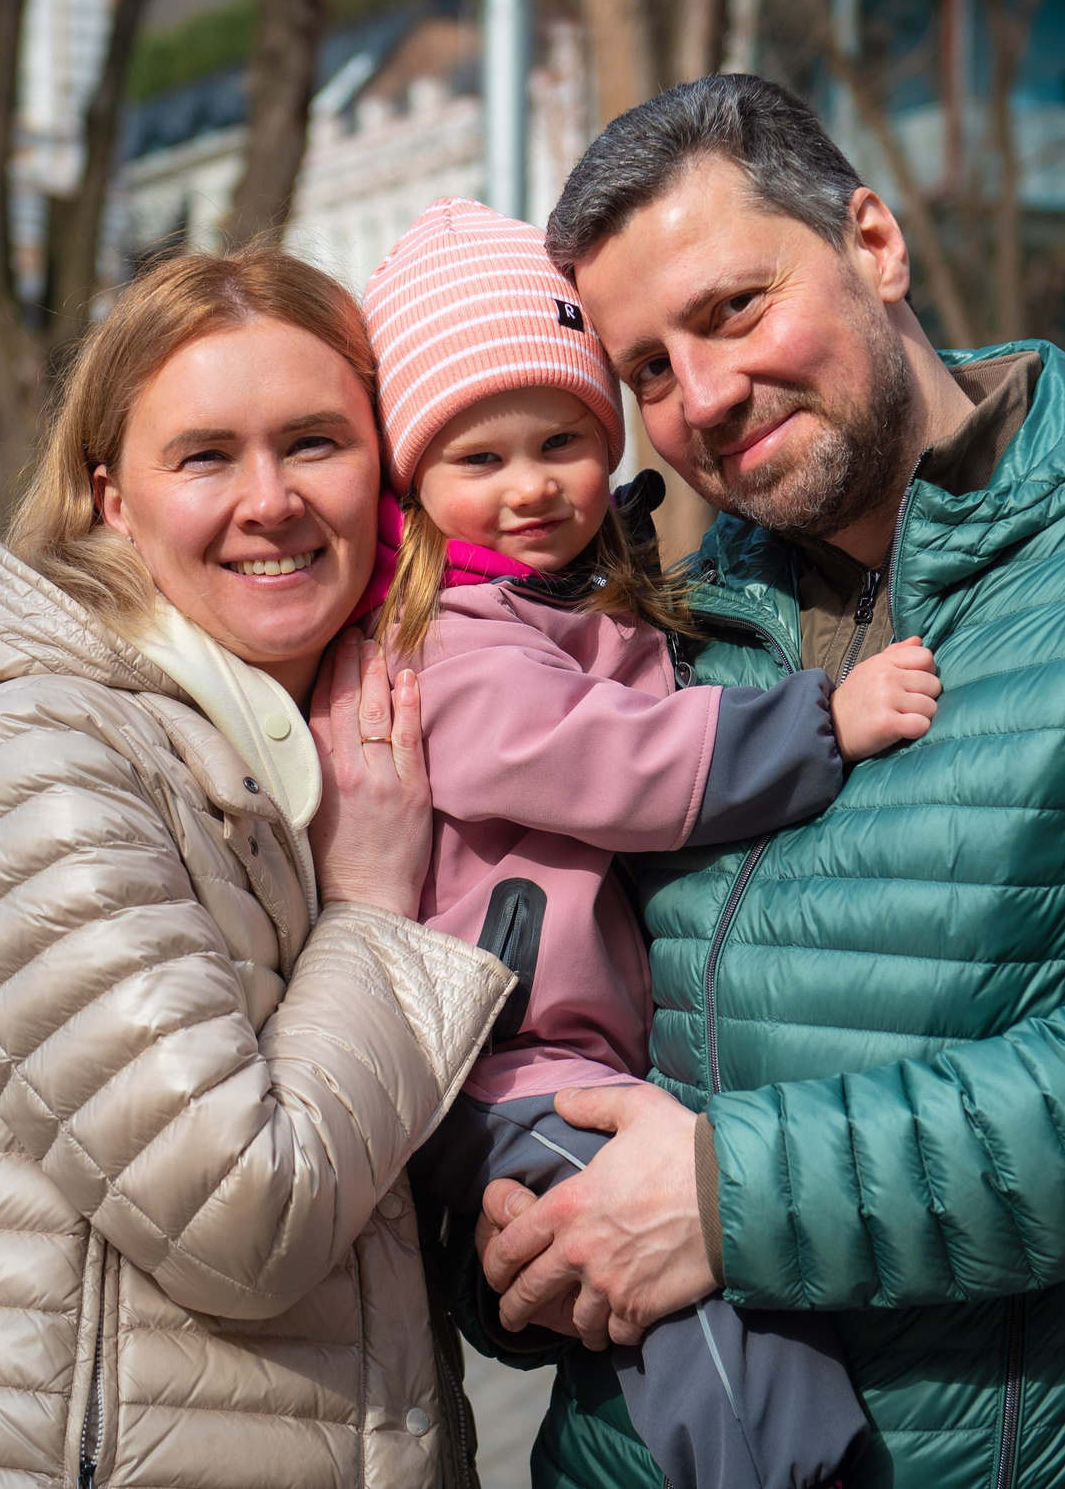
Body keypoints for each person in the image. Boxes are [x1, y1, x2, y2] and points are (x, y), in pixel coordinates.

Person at [469, 76, 1065, 1489]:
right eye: (647, 370)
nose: (702, 398)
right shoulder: (665, 631)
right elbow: (550, 996)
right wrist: (513, 1229)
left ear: (876, 245)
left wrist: (722, 1197)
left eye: (735, 309)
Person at [0, 248, 516, 1489]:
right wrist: (370, 906)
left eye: (314, 442)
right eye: (204, 456)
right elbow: (248, 1216)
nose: (272, 498)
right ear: (110, 497)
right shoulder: (44, 756)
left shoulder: (284, 745)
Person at [360, 200, 942, 1489]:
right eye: (478, 458)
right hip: (508, 1064)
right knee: (687, 1296)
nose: (529, 485)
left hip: (573, 1049)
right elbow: (614, 763)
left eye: (562, 439)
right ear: (414, 485)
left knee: (684, 1252)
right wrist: (819, 725)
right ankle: (792, 1474)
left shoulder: (585, 605)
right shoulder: (456, 646)